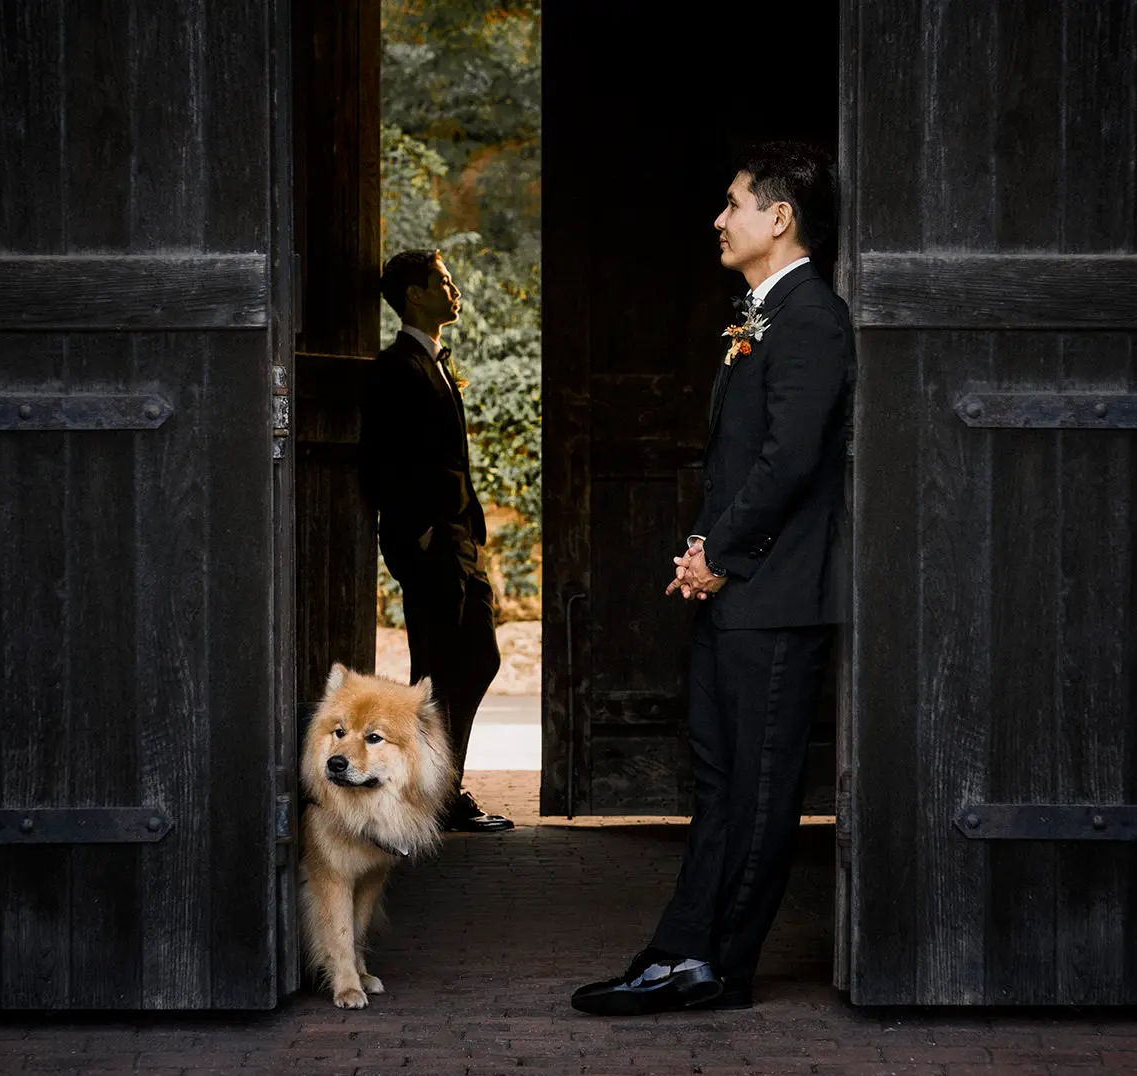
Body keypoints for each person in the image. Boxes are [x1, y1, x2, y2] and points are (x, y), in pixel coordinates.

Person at [571, 143, 852, 1014]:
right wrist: (704, 550)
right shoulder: (762, 316)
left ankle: (717, 965)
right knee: (721, 782)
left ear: (780, 218)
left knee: (761, 790)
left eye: (733, 203)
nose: (719, 218)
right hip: (738, 589)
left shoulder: (811, 317)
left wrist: (716, 556)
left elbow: (789, 462)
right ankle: (682, 949)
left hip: (775, 597)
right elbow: (734, 467)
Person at [360, 249, 514, 834]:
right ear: (416, 295)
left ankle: (438, 790)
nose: (454, 289)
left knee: (477, 657)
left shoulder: (436, 364)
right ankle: (430, 797)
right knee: (436, 667)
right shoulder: (395, 367)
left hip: (458, 539)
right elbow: (379, 460)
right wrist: (417, 533)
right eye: (443, 281)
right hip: (429, 542)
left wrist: (467, 533)